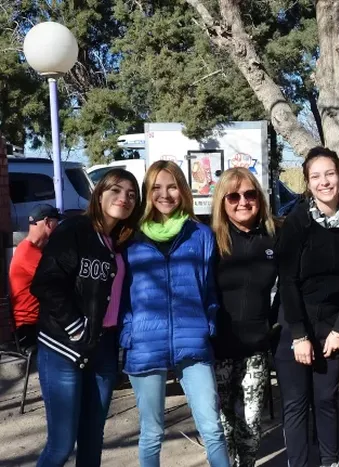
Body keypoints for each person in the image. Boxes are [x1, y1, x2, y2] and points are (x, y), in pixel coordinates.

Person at [121, 161, 229, 467]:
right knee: (151, 432)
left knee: (212, 428)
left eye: (171, 186)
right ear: (147, 193)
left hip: (192, 342)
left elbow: (209, 289)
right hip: (144, 344)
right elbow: (122, 295)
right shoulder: (130, 238)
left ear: (183, 189)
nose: (164, 194)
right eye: (156, 187)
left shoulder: (201, 235)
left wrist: (207, 324)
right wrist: (129, 333)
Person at [31, 169, 142, 466]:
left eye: (132, 195)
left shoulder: (121, 240)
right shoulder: (75, 229)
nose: (124, 198)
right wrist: (74, 326)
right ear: (99, 193)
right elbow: (46, 282)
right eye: (116, 190)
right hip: (63, 348)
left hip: (103, 350)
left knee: (93, 439)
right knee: (62, 444)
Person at [276, 146, 339, 467]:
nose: (324, 182)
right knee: (296, 404)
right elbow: (287, 280)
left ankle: (331, 461)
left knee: (326, 399)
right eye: (316, 176)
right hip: (296, 323)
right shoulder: (297, 222)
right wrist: (299, 336)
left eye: (329, 174)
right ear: (307, 182)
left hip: (333, 327)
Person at [210, 168, 278, 467]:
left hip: (256, 349)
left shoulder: (274, 237)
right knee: (221, 428)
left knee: (251, 426)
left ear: (259, 199)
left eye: (250, 194)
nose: (242, 201)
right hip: (216, 349)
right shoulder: (209, 240)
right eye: (233, 196)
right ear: (222, 202)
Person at [9, 204, 61, 348]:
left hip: (38, 322)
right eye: (57, 223)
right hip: (30, 326)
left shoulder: (31, 249)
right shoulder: (28, 252)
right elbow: (58, 279)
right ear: (47, 223)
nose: (58, 227)